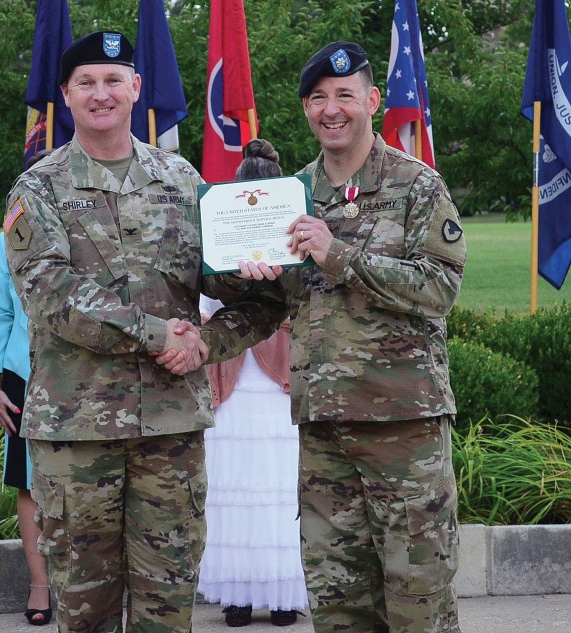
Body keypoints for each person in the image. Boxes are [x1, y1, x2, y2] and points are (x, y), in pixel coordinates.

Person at [2, 30, 285, 633]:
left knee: (168, 605)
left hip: (170, 431)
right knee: (86, 611)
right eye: (86, 83)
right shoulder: (38, 188)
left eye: (113, 80)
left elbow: (251, 294)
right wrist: (159, 335)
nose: (100, 94)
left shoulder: (182, 182)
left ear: (135, 88)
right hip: (79, 436)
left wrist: (212, 337)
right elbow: (51, 297)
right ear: (67, 96)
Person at [237, 42, 467, 633]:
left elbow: (439, 289)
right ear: (307, 110)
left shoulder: (417, 187)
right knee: (339, 606)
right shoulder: (287, 197)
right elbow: (266, 307)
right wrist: (196, 331)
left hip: (403, 429)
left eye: (344, 95)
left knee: (420, 602)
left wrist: (337, 255)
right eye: (317, 98)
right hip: (324, 434)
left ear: (371, 101)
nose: (331, 109)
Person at [197, 140, 308, 628]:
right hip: (238, 375)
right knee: (260, 482)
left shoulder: (294, 222)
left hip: (268, 377)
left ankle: (264, 596)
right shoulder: (219, 225)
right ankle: (260, 597)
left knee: (253, 482)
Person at [0, 229, 51, 626]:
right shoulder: (11, 231)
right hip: (22, 374)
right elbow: (1, 309)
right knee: (28, 483)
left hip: (84, 377)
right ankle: (39, 585)